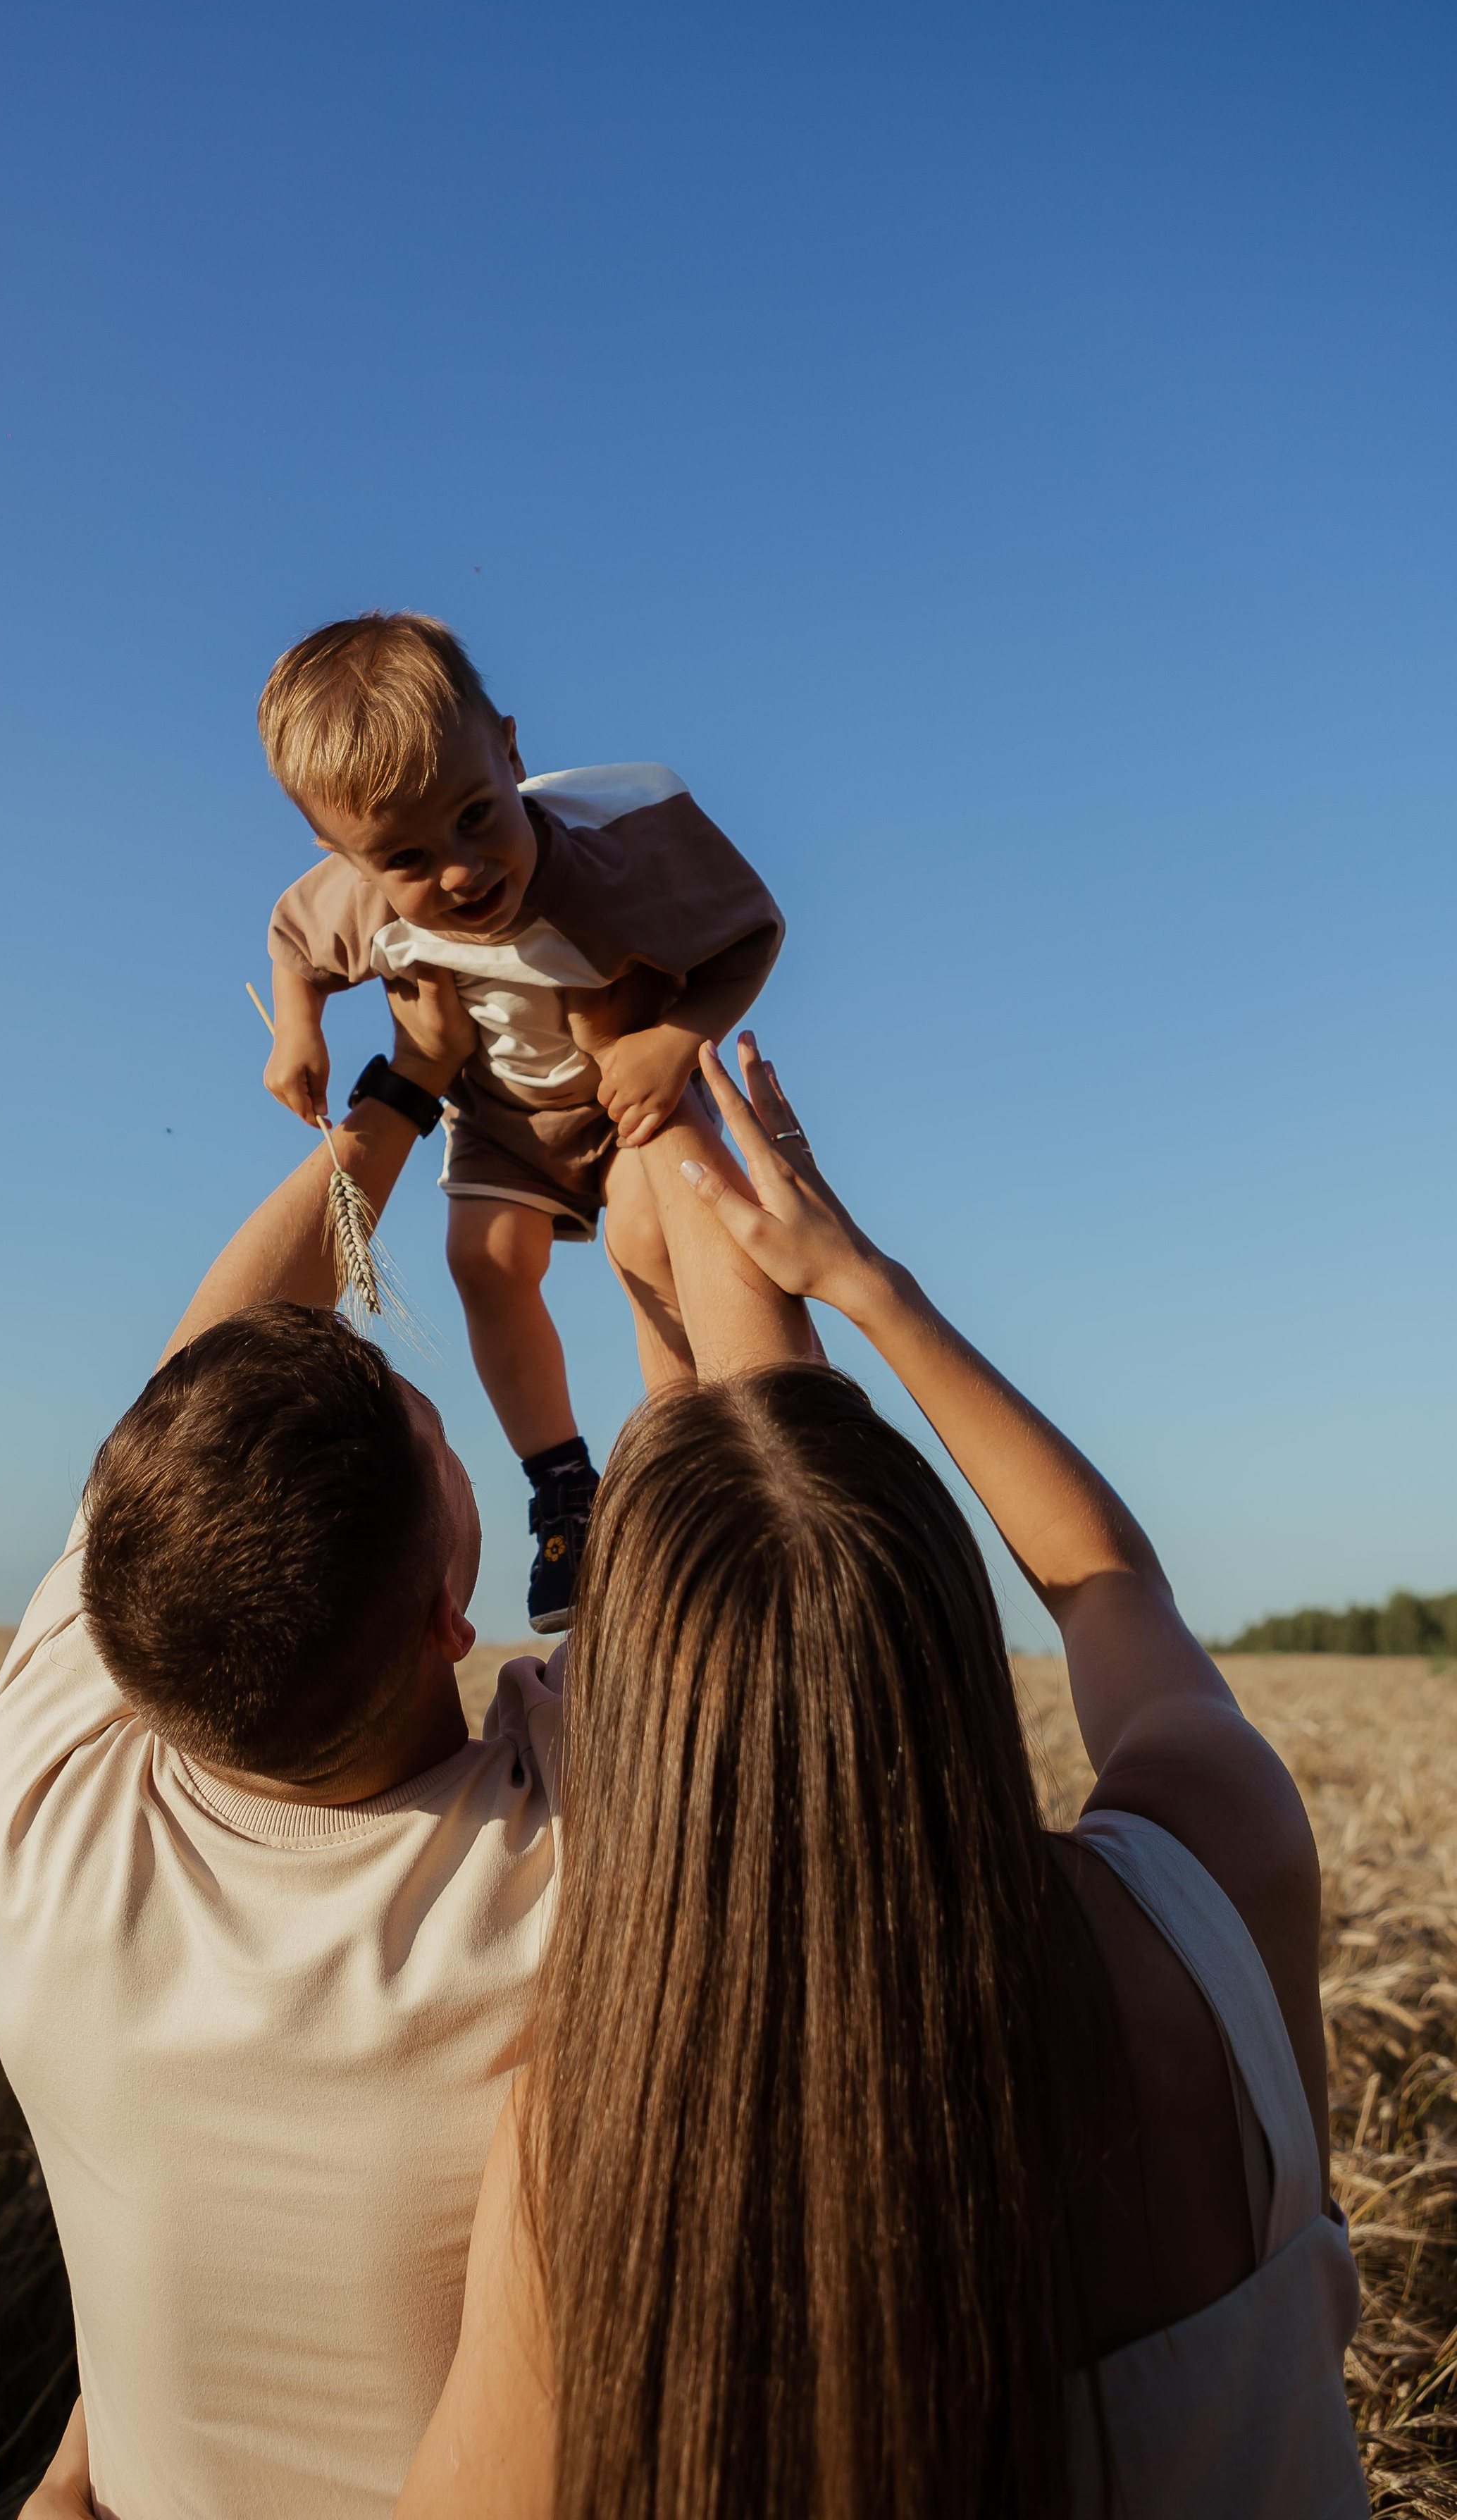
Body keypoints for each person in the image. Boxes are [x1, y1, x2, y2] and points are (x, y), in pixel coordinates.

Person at [396, 1036, 1368, 2520]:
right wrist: (862, 1282)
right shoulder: (1218, 1880)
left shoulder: (599, 2130)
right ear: (954, 1631)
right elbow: (1103, 1579)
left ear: (647, 1723)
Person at [0, 972, 816, 2520]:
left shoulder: (57, 1772)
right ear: (453, 1611)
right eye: (440, 1443)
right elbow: (773, 1523)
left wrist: (407, 1085)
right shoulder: (579, 1854)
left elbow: (196, 1376)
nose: (452, 1431)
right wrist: (674, 1147)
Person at [258, 611, 786, 1626]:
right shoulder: (361, 902)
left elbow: (751, 933)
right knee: (483, 1259)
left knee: (649, 1242)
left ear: (510, 750)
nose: (458, 870)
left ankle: (680, 1462)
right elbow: (292, 942)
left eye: (474, 816)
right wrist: (296, 1034)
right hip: (500, 1114)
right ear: (345, 854)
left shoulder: (618, 854)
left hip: (623, 1098)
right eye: (406, 857)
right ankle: (565, 1490)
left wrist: (674, 1039)